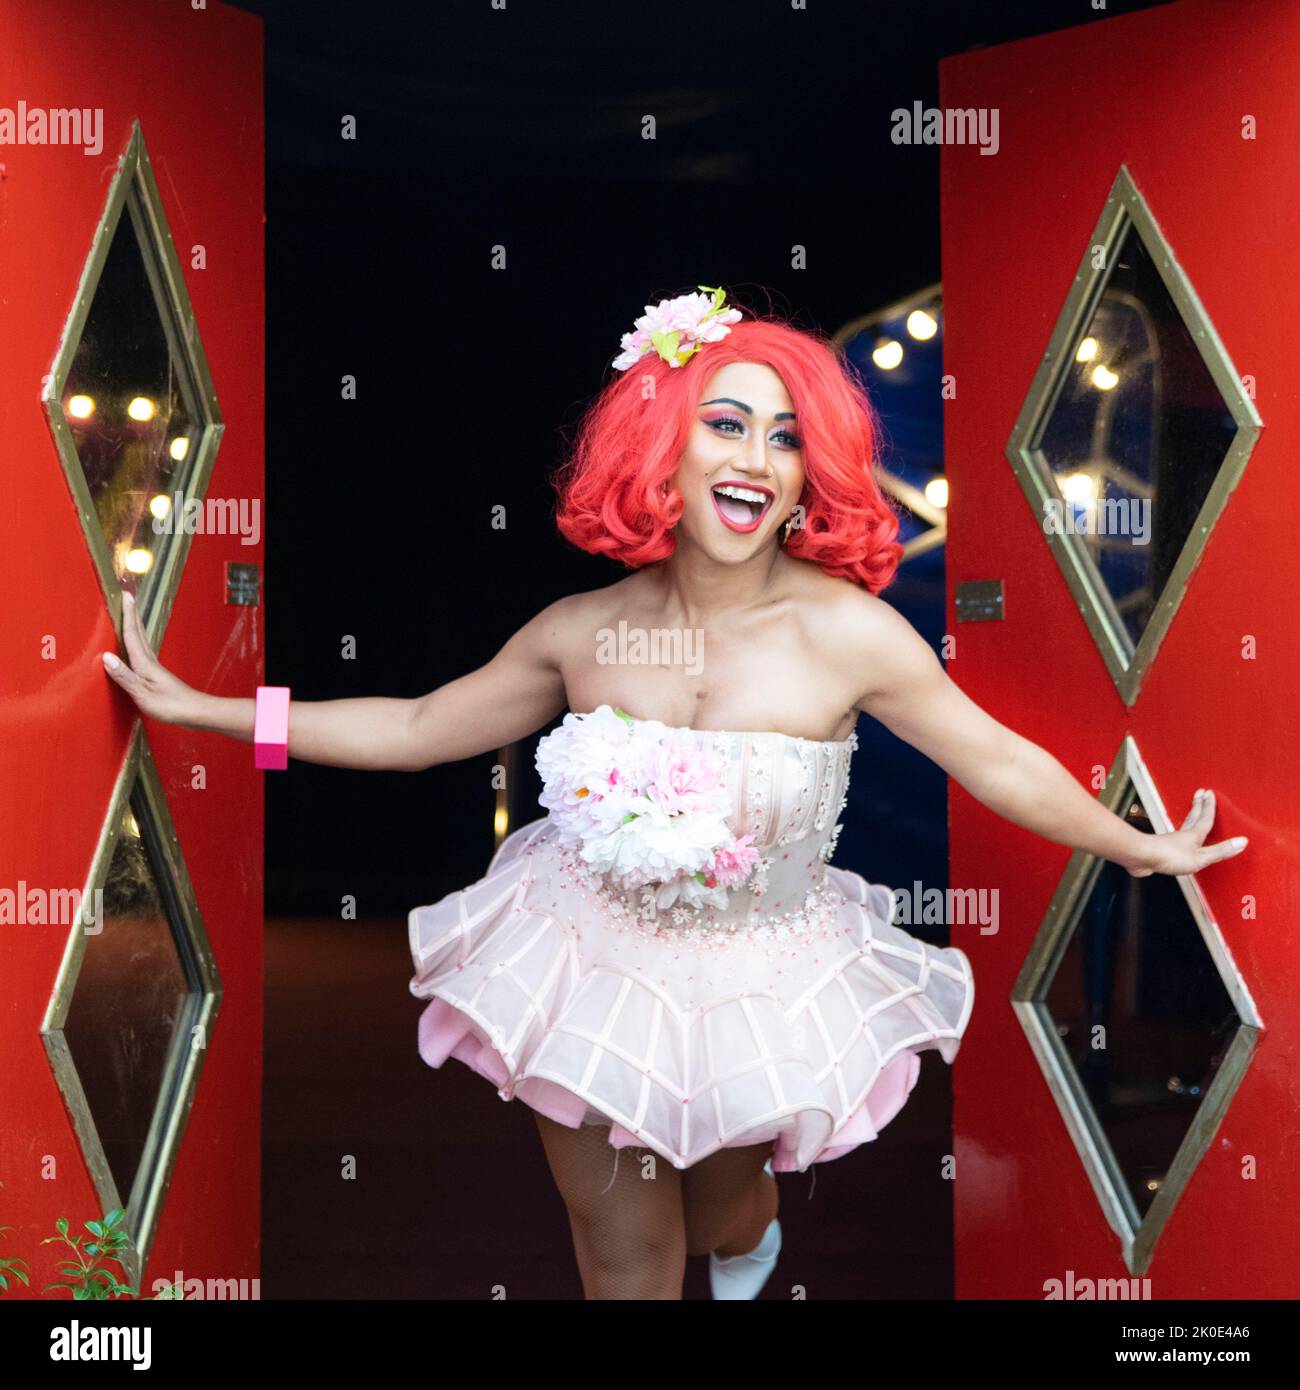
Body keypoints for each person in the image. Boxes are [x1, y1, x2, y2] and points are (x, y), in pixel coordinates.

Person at [102, 286, 1248, 1301]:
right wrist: (211, 714)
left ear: (811, 473)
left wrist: (1133, 847)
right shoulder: (581, 630)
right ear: (661, 447)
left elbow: (993, 759)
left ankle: (746, 1237)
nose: (756, 457)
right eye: (726, 424)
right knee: (625, 1256)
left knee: (722, 1214)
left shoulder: (850, 633)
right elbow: (413, 730)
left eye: (786, 439)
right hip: (582, 961)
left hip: (762, 973)